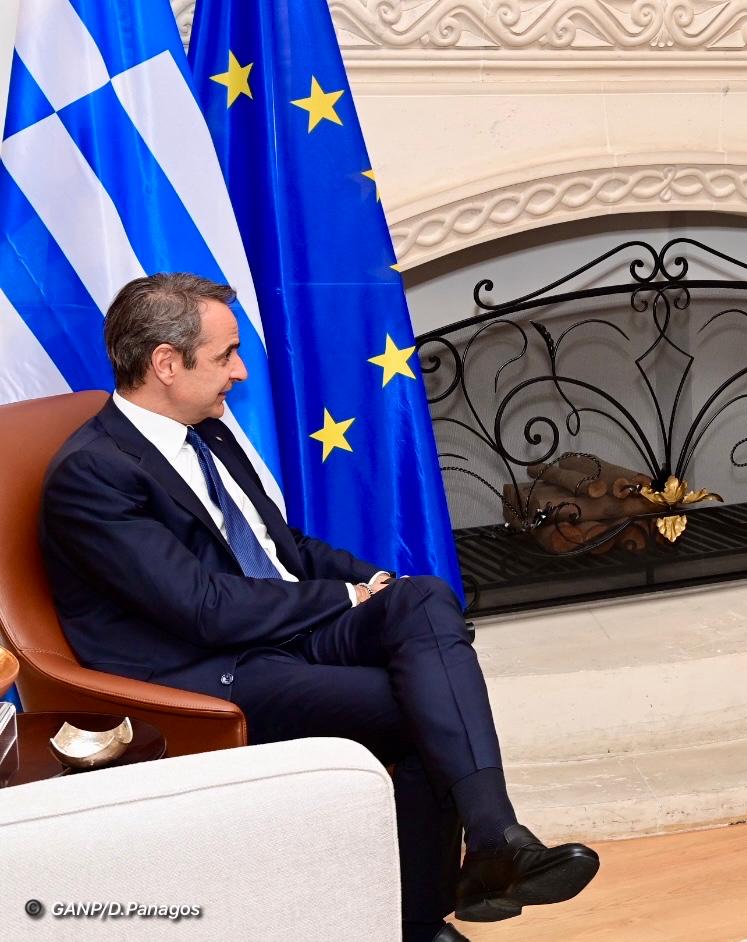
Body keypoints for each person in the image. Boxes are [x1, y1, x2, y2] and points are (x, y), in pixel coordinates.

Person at [40, 273, 599, 942]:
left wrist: (374, 581)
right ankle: (426, 918)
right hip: (203, 669)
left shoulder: (208, 433)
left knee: (423, 597)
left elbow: (285, 548)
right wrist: (345, 598)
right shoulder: (94, 473)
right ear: (166, 362)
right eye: (225, 355)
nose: (241, 373)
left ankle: (494, 840)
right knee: (424, 705)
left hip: (282, 632)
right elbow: (201, 608)